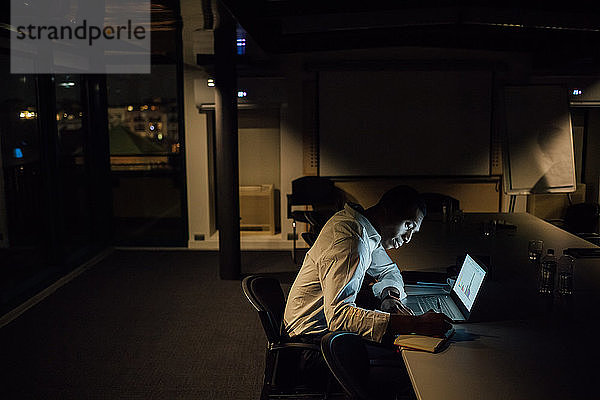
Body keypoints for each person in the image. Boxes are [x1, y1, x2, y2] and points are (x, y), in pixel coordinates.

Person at [283, 185, 451, 391]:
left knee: (409, 349)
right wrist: (414, 324)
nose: (408, 238)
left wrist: (391, 296)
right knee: (416, 365)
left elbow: (390, 271)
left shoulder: (362, 227)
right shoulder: (351, 241)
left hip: (323, 334)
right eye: (408, 225)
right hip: (313, 348)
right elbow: (339, 317)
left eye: (413, 231)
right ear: (386, 211)